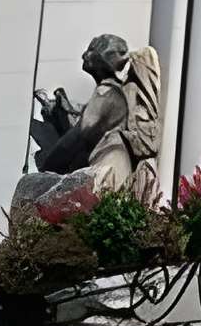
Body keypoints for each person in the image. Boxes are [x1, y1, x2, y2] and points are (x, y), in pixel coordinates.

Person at [18, 35, 161, 210]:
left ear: (103, 58)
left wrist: (49, 167)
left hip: (107, 169)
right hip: (107, 165)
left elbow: (77, 137)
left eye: (92, 50)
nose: (85, 55)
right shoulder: (112, 92)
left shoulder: (106, 94)